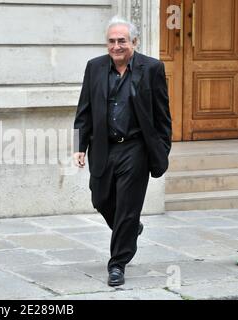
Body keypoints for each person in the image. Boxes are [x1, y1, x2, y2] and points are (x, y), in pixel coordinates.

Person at [73, 16, 172, 287]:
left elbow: (162, 114)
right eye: (112, 41)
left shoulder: (151, 68)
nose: (116, 46)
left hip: (135, 148)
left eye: (122, 41)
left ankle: (117, 264)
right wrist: (78, 147)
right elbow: (83, 110)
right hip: (103, 147)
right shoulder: (94, 68)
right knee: (101, 199)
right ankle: (130, 230)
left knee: (128, 206)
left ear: (134, 42)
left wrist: (162, 148)